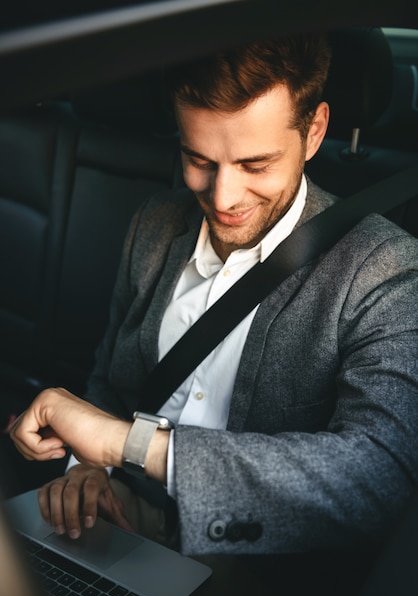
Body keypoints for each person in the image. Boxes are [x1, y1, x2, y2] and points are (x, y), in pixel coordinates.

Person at [10, 33, 418, 556]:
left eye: (255, 165)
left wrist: (122, 443)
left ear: (313, 132)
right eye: (198, 159)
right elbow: (111, 385)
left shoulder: (384, 271)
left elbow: (376, 480)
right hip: (115, 540)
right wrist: (89, 471)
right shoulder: (154, 226)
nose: (223, 198)